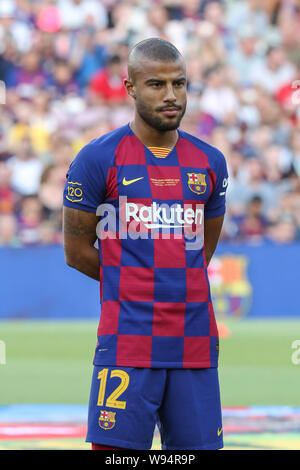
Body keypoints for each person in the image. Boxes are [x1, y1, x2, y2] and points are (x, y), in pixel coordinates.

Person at [63, 38, 228, 451]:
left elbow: (201, 252)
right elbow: (77, 251)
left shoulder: (210, 162)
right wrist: (132, 280)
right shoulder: (98, 158)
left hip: (194, 342)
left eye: (180, 83)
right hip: (127, 341)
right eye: (156, 84)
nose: (171, 95)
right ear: (130, 88)